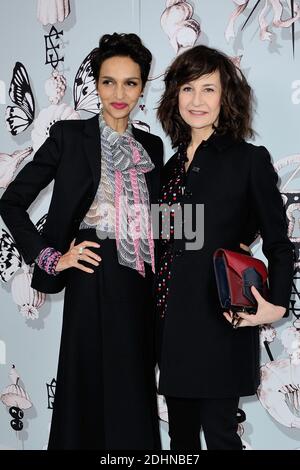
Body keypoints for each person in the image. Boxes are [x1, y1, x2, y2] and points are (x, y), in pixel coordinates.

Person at [0, 33, 163, 450]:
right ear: (96, 84)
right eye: (109, 82)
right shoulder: (69, 137)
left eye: (130, 82)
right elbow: (12, 202)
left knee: (134, 387)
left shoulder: (152, 146)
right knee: (86, 389)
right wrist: (53, 257)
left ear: (143, 86)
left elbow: (159, 222)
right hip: (91, 274)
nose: (119, 93)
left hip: (139, 281)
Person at [156, 45, 294, 450]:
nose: (196, 100)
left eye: (208, 89)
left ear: (225, 96)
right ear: (174, 97)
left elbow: (279, 241)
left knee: (219, 435)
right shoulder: (167, 170)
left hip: (221, 321)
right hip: (171, 325)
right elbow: (176, 243)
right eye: (187, 89)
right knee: (180, 439)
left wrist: (278, 301)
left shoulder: (247, 159)